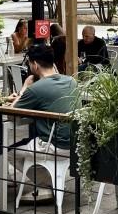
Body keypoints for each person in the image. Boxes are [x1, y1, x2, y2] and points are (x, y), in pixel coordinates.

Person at [5, 44, 80, 199]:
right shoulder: (72, 82)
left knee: (9, 153)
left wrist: (25, 88)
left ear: (35, 65)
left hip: (53, 145)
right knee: (29, 142)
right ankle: (52, 181)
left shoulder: (36, 88)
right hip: (75, 144)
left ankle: (47, 184)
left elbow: (11, 113)